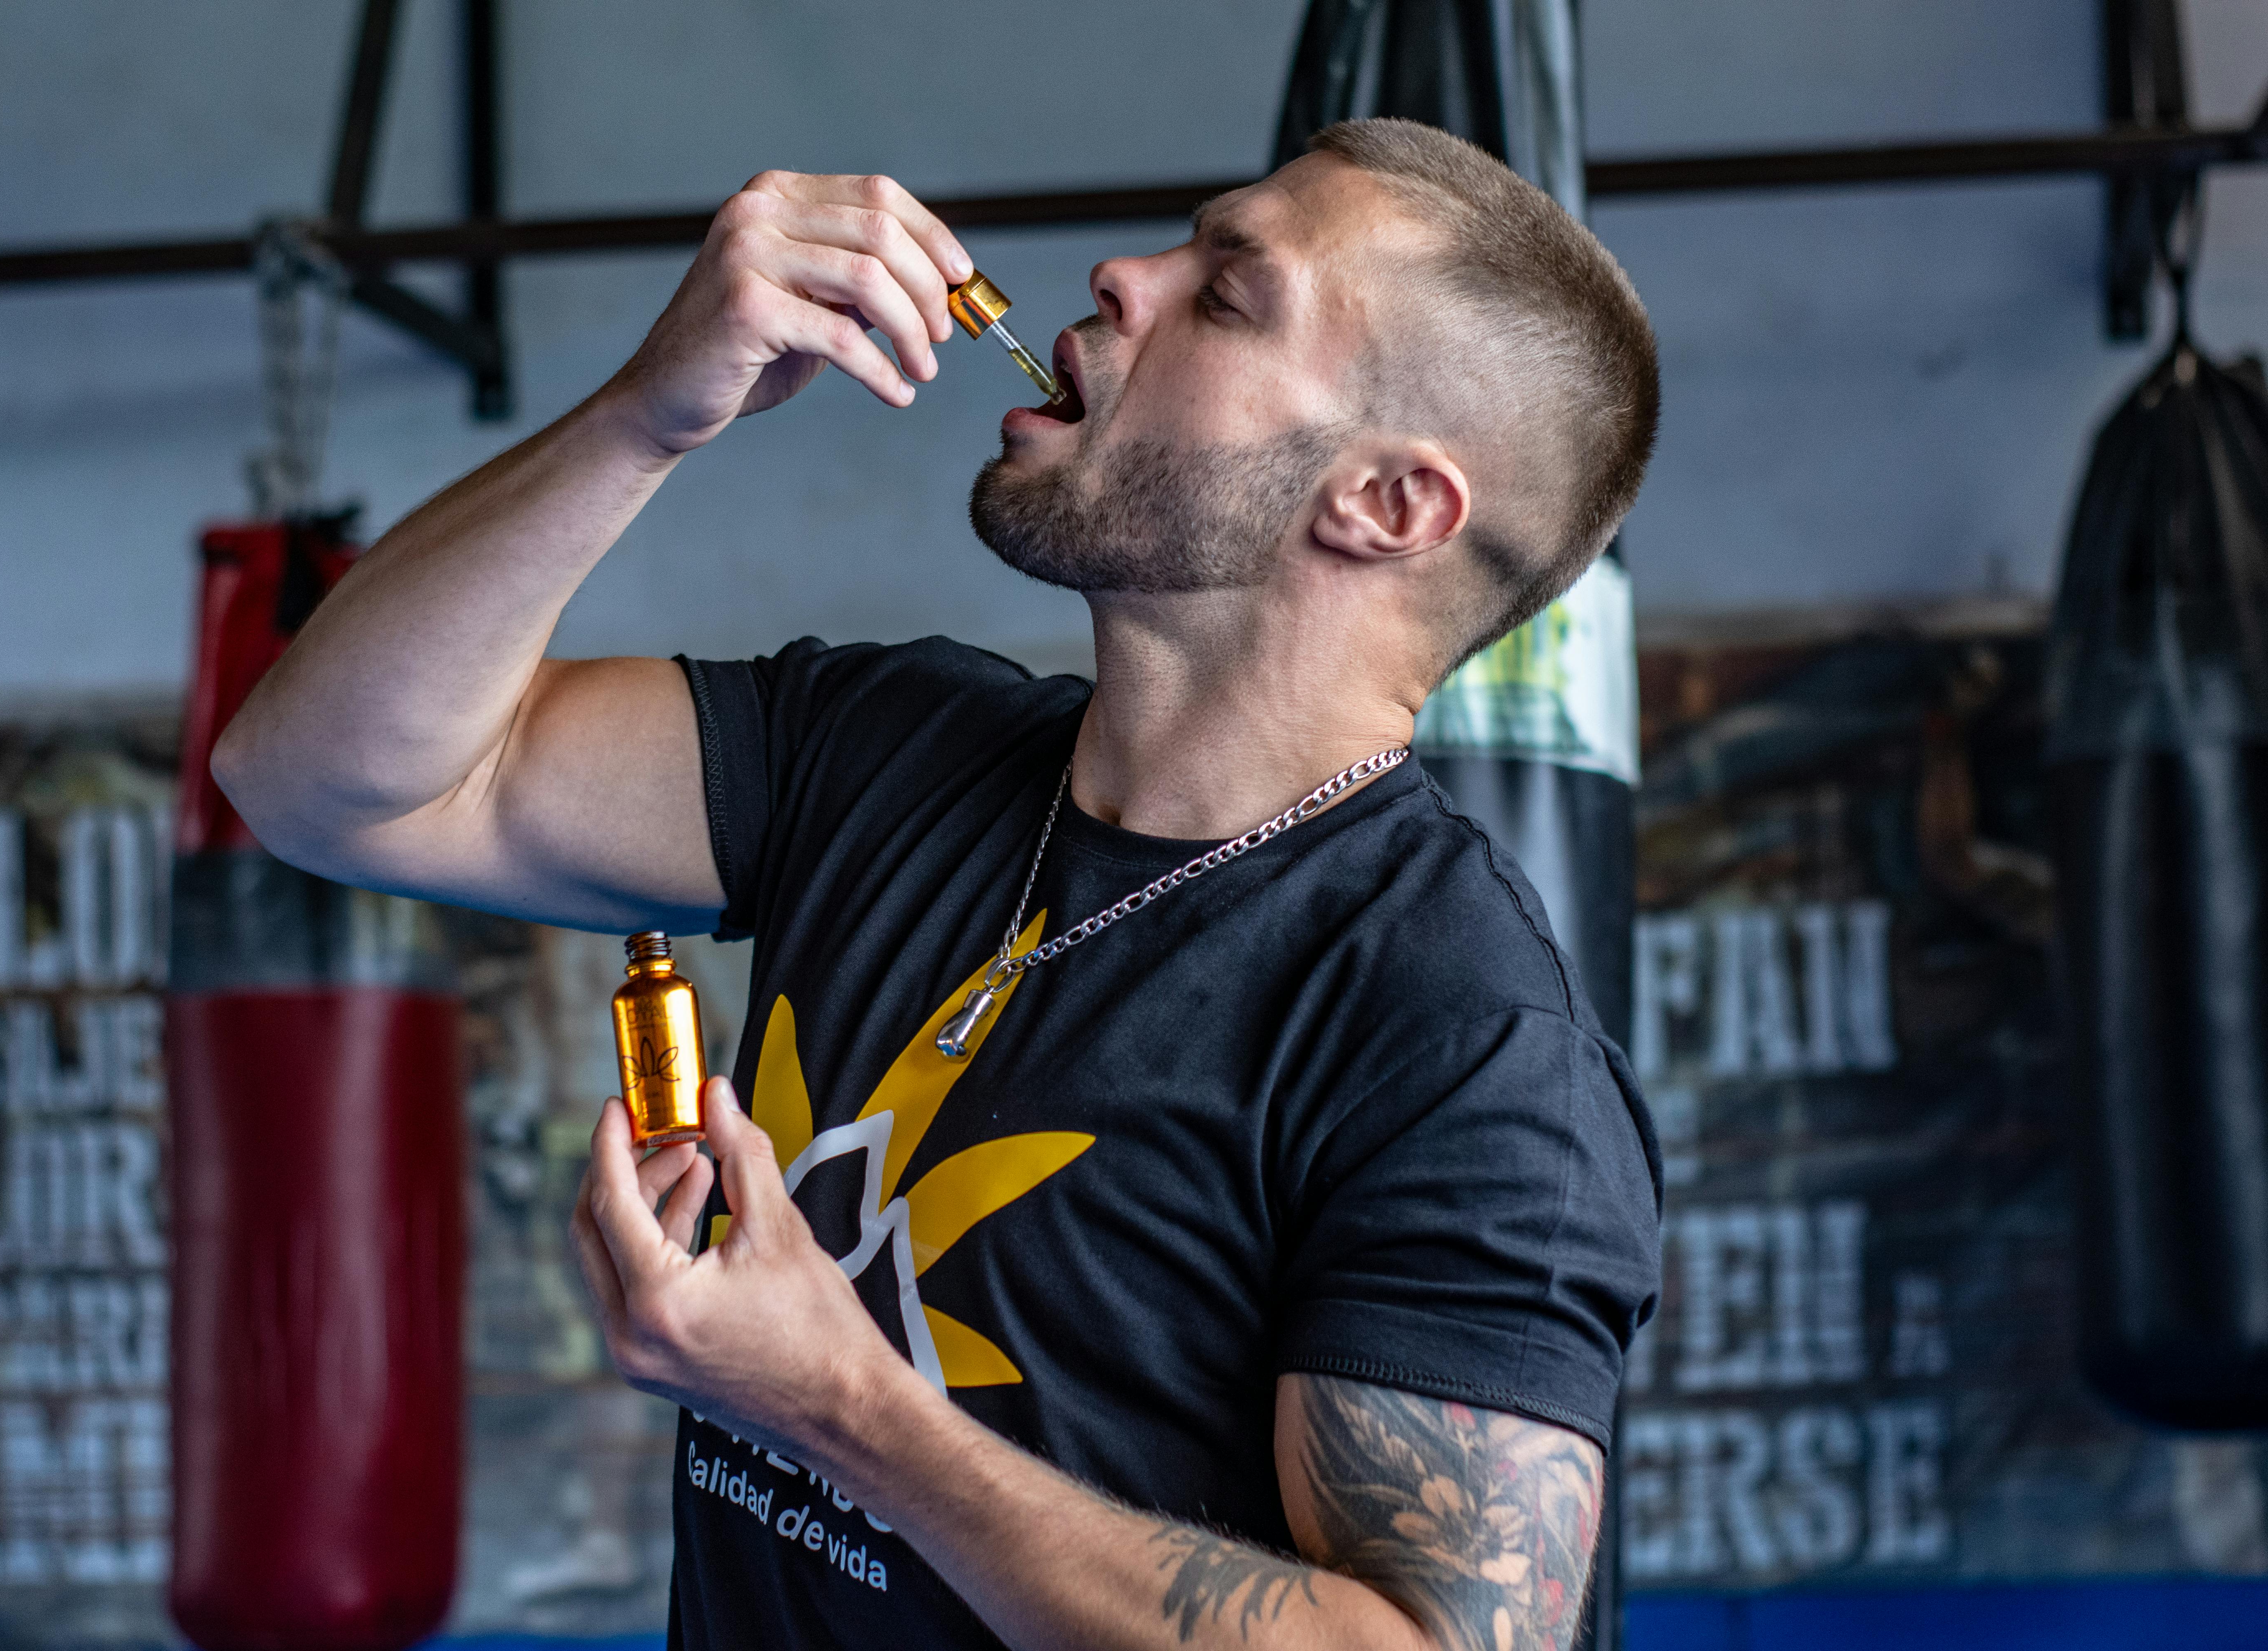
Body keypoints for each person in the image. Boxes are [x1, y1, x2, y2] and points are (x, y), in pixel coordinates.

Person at [215, 116, 1662, 1651]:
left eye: (1228, 295)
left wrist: (838, 1400)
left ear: (1385, 508)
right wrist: (652, 414)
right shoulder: (882, 747)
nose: (1123, 274)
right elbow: (317, 777)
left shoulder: (1465, 1042)